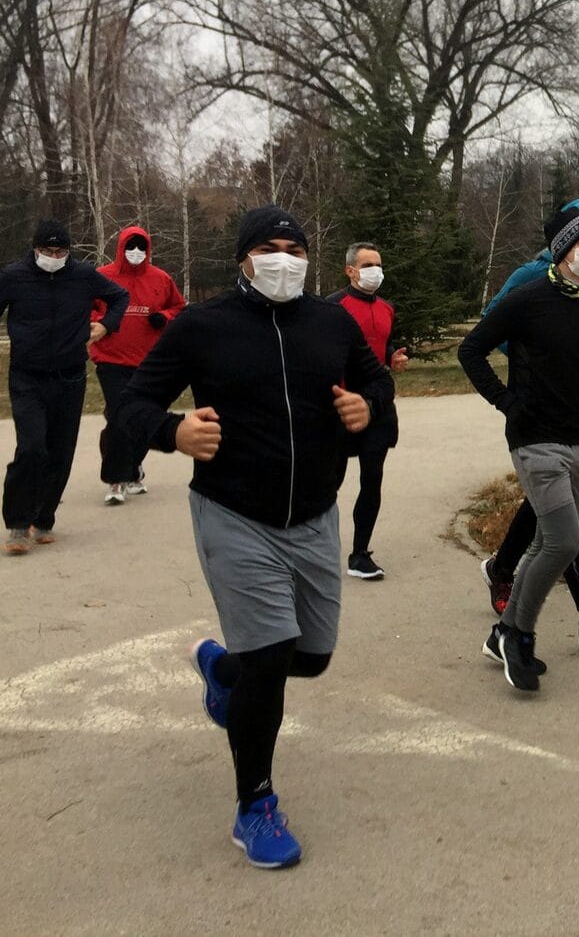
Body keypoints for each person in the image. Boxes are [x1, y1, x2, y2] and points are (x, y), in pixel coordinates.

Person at [119, 205, 394, 869]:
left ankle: (224, 670)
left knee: (312, 656)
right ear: (243, 257)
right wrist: (173, 431)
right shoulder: (202, 325)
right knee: (271, 658)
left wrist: (367, 407)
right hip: (234, 514)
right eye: (268, 247)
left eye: (294, 247)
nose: (283, 258)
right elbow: (132, 404)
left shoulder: (330, 321)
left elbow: (376, 379)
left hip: (314, 515)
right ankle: (255, 804)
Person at [458, 204, 579, 693]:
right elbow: (471, 349)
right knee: (563, 540)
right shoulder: (526, 298)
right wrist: (504, 400)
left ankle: (503, 634)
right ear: (563, 249)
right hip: (534, 436)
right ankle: (519, 635)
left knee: (546, 541)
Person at [0, 219, 128, 554]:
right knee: (31, 448)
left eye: (60, 251)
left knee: (60, 452)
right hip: (27, 377)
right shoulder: (14, 276)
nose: (54, 256)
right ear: (35, 249)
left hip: (70, 376)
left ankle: (43, 518)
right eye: (47, 250)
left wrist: (106, 326)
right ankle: (17, 522)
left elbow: (119, 297)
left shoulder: (82, 275)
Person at [91, 225, 186, 505]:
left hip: (148, 361)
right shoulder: (102, 278)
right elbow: (89, 309)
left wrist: (164, 317)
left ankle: (133, 469)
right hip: (111, 358)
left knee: (145, 416)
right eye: (130, 247)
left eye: (141, 248)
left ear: (148, 250)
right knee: (121, 415)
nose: (135, 253)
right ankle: (116, 480)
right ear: (120, 249)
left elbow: (179, 307)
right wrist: (100, 324)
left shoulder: (161, 278)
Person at [330, 242, 409, 580]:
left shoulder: (387, 307)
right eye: (367, 265)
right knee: (327, 483)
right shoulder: (333, 306)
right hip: (339, 405)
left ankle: (360, 554)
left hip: (376, 405)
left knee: (371, 479)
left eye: (378, 263)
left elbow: (382, 343)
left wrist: (392, 358)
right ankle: (314, 547)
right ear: (350, 270)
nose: (375, 270)